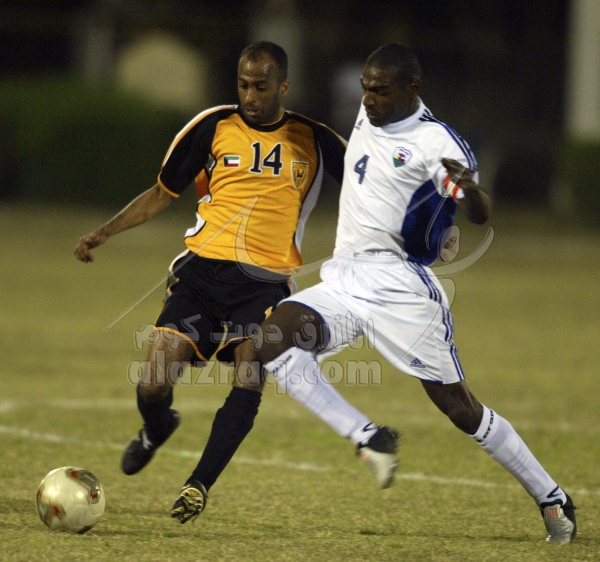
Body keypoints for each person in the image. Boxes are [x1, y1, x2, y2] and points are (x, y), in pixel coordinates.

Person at [177, 43, 577, 545]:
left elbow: (477, 211)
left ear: (413, 89)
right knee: (270, 340)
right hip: (345, 279)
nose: (368, 99)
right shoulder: (368, 116)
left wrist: (471, 194)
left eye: (380, 91)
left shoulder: (436, 142)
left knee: (460, 409)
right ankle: (369, 437)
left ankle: (551, 496)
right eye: (366, 88)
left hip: (401, 290)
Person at [73, 41, 347, 504]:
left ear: (283, 86)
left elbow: (369, 186)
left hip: (265, 283)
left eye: (261, 87)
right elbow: (161, 193)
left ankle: (198, 484)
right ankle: (157, 426)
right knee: (154, 381)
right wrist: (105, 231)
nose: (250, 96)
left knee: (250, 371)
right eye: (243, 85)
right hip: (201, 272)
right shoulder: (212, 125)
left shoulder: (314, 139)